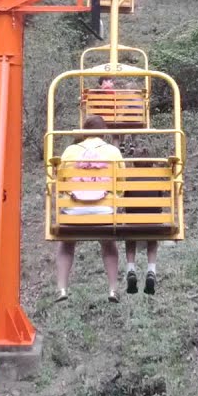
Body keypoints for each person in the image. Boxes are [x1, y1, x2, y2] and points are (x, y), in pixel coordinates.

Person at [55, 115, 122, 303]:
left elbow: (60, 181)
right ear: (104, 132)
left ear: (84, 131)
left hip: (73, 211)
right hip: (104, 212)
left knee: (66, 243)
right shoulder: (113, 151)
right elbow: (122, 182)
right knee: (108, 244)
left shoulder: (70, 151)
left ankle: (61, 287)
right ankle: (113, 289)